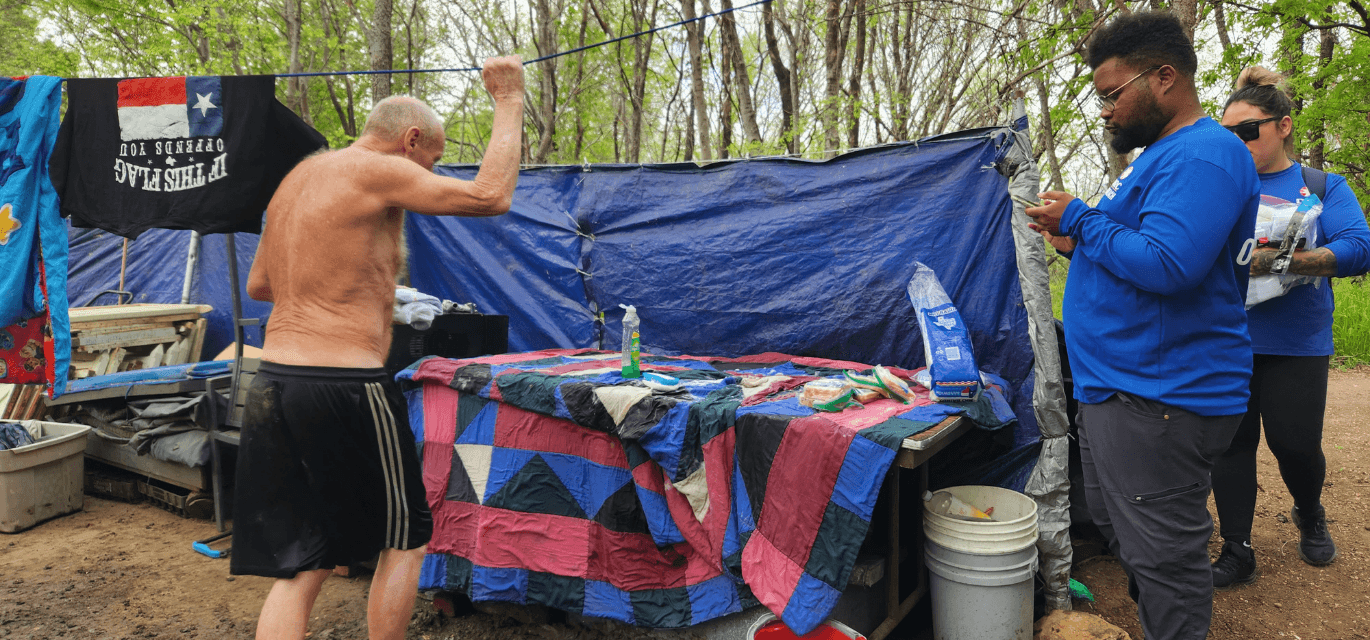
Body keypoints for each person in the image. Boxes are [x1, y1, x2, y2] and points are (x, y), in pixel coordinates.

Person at [232, 56, 524, 640]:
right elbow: (490, 196)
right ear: (410, 140)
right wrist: (509, 99)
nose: (428, 172)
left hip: (273, 382)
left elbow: (259, 285)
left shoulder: (298, 179)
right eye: (432, 161)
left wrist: (353, 276)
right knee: (406, 540)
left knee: (303, 559)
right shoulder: (373, 168)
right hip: (342, 385)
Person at [1023, 12, 1259, 640]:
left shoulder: (1206, 153)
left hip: (1160, 397)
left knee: (1167, 562)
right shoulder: (1162, 157)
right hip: (1120, 391)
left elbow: (1169, 263)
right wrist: (1074, 237)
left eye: (1110, 92)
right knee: (1120, 525)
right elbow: (1136, 246)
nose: (1103, 110)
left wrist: (1083, 218)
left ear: (1164, 78)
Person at [1208, 66, 1370, 588]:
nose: (1238, 143)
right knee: (1231, 445)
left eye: (1248, 131)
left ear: (1283, 125)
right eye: (1228, 133)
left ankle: (1309, 509)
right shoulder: (1218, 185)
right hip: (1225, 339)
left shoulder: (1321, 186)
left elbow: (1359, 246)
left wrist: (1283, 260)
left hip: (1296, 342)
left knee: (1295, 445)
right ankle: (1237, 546)